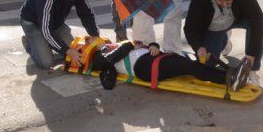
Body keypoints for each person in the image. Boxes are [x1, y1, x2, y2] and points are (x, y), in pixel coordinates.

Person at [184, 0, 263, 86]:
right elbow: (190, 27)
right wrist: (198, 47)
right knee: (208, 65)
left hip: (235, 19)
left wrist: (251, 54)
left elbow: (259, 21)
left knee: (255, 28)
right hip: (215, 27)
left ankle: (252, 72)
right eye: (220, 1)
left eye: (229, 1)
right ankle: (225, 40)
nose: (224, 4)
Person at [20, 0, 100, 69]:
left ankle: (46, 43)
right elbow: (46, 30)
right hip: (33, 23)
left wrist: (95, 36)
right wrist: (66, 50)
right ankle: (29, 44)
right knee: (47, 63)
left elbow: (86, 14)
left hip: (55, 22)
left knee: (77, 52)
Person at [89, 40, 251, 92]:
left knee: (191, 65)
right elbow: (108, 79)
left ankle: (231, 75)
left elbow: (144, 44)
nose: (106, 44)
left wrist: (153, 45)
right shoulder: (101, 59)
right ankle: (229, 80)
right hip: (143, 67)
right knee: (190, 67)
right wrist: (127, 46)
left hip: (153, 58)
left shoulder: (118, 45)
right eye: (102, 46)